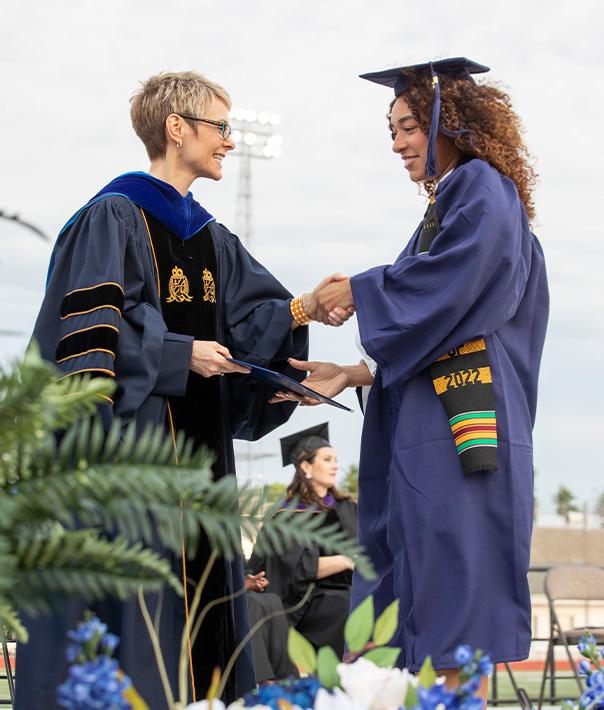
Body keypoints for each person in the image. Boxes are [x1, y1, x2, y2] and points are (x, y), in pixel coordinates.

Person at [14, 71, 343, 709]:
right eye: (220, 127)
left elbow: (252, 321)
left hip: (199, 472)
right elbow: (81, 346)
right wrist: (175, 354)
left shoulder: (211, 238)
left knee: (203, 632)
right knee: (140, 625)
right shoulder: (112, 216)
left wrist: (303, 313)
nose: (229, 141)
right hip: (131, 464)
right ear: (177, 129)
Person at [275, 58, 549, 702]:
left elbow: (449, 291)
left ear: (448, 121)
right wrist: (354, 371)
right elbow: (444, 328)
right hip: (436, 418)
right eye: (391, 131)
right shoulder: (452, 201)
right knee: (426, 580)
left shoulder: (481, 187)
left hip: (464, 424)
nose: (397, 143)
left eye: (407, 126)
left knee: (454, 592)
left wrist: (360, 289)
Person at [248, 424, 357, 659]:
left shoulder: (347, 508)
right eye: (327, 459)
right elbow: (295, 571)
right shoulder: (289, 515)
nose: (335, 465)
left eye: (336, 459)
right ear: (306, 466)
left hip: (350, 590)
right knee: (345, 603)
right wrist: (346, 561)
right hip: (306, 601)